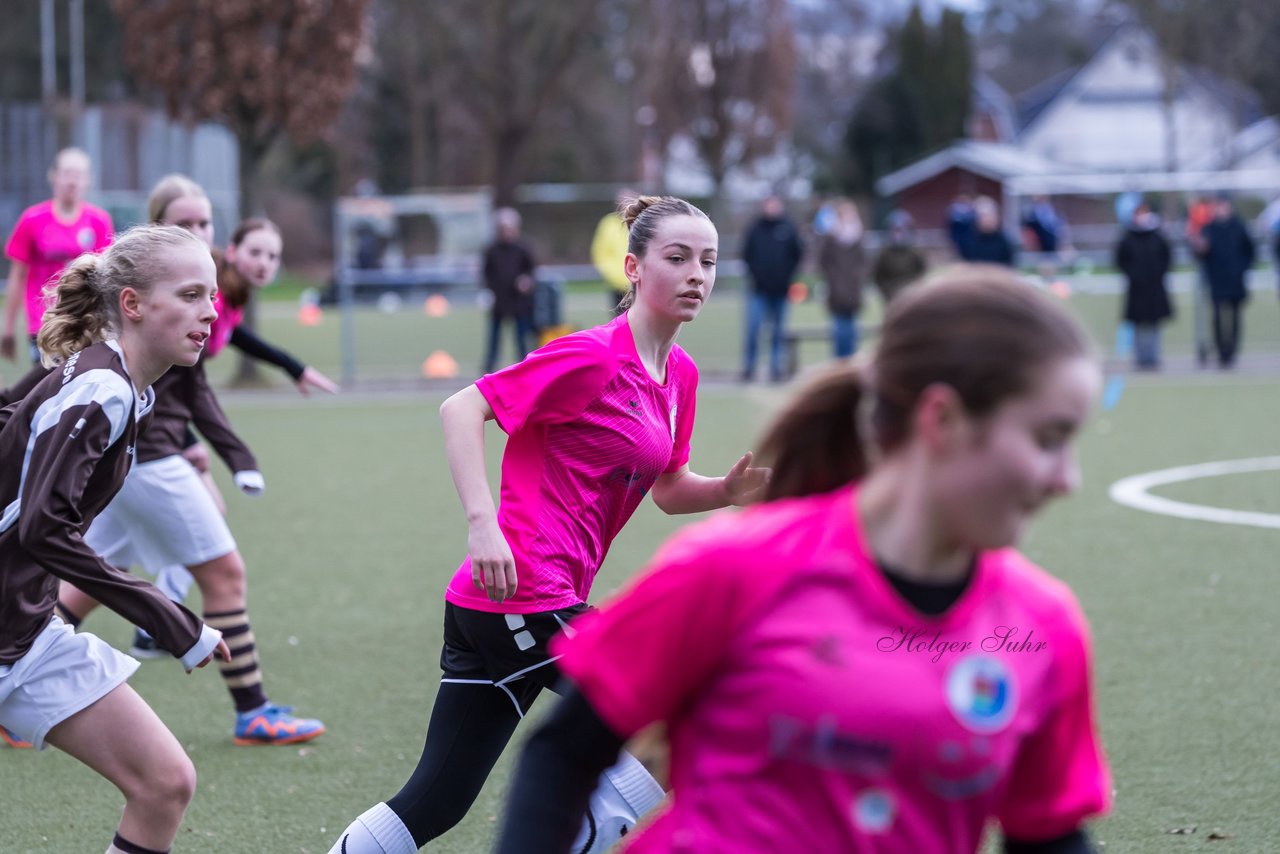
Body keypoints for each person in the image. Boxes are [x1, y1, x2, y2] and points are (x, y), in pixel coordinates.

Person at [494, 267, 1112, 854]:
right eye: (1047, 439)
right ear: (942, 420)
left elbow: (1049, 834)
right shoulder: (732, 570)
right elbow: (563, 754)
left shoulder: (1042, 629)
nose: (1067, 479)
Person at [326, 195, 769, 854]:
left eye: (707, 260)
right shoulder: (590, 356)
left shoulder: (680, 376)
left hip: (509, 606)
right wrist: (483, 525)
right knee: (681, 715)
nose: (696, 274)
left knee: (436, 801)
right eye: (676, 258)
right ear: (633, 268)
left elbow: (670, 489)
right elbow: (461, 407)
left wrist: (727, 491)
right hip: (525, 591)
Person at [54, 202, 326, 747]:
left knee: (88, 579)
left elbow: (180, 392)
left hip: (138, 459)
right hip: (150, 462)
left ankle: (10, 673)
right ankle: (253, 711)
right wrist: (207, 449)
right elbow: (191, 394)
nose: (208, 310)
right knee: (224, 575)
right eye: (189, 222)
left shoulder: (151, 332)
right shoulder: (114, 366)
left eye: (206, 224)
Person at [0, 224, 231, 851]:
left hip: (21, 635)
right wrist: (170, 617)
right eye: (189, 295)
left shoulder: (122, 385)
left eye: (210, 295)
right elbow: (43, 525)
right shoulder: (101, 387)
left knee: (164, 782)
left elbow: (15, 420)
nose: (209, 311)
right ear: (132, 304)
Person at [3, 147, 114, 364]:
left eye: (78, 175)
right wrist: (7, 329)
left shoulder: (99, 221)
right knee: (46, 387)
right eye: (67, 173)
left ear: (87, 180)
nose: (72, 181)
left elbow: (108, 275)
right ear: (53, 176)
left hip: (85, 320)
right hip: (43, 322)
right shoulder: (32, 219)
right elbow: (17, 277)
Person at [741, 194, 804, 382]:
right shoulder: (755, 229)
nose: (771, 208)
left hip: (781, 290)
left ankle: (776, 367)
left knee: (778, 331)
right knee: (753, 329)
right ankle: (749, 367)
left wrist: (787, 276)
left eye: (774, 205)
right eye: (768, 205)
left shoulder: (788, 228)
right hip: (758, 290)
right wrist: (756, 274)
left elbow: (798, 255)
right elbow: (747, 255)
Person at [1197, 195, 1256, 369]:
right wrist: (1200, 250)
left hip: (1235, 280)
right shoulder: (1209, 229)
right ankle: (1220, 351)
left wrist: (1241, 269)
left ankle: (1232, 350)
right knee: (1217, 316)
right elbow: (1201, 254)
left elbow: (1250, 251)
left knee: (1235, 316)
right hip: (1216, 280)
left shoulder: (1239, 227)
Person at [1115, 200, 1173, 370]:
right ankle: (1140, 357)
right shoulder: (1128, 237)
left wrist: (1158, 274)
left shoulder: (1157, 236)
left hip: (1154, 287)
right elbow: (1120, 260)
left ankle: (1153, 356)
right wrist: (1133, 274)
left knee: (1155, 324)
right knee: (1138, 324)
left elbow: (1167, 257)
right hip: (1137, 288)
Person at [481, 207, 537, 374]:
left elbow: (531, 271)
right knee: (494, 339)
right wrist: (490, 290)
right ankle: (488, 367)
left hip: (519, 303)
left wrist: (526, 282)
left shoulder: (523, 248)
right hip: (499, 302)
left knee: (521, 339)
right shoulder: (491, 249)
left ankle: (525, 368)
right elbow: (486, 273)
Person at [815, 198, 866, 358]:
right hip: (836, 291)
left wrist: (858, 276)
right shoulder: (831, 239)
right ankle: (838, 362)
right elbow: (823, 262)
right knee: (839, 331)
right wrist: (833, 278)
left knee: (852, 331)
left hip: (853, 290)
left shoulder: (858, 239)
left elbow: (865, 262)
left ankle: (850, 362)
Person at [591, 188, 636, 314]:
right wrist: (612, 274)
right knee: (619, 320)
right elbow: (600, 252)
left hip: (639, 283)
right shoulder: (608, 223)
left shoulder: (641, 223)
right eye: (622, 201)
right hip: (617, 284)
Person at [871, 209, 928, 307]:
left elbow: (922, 274)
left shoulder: (915, 252)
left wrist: (914, 291)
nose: (898, 234)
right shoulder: (884, 254)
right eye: (895, 230)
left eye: (901, 230)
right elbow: (878, 276)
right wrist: (888, 293)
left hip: (912, 297)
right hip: (891, 297)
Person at [968, 196, 1017, 267]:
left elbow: (1009, 266)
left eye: (987, 215)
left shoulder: (1004, 241)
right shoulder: (970, 240)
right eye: (981, 216)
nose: (985, 219)